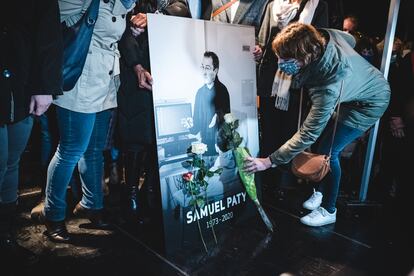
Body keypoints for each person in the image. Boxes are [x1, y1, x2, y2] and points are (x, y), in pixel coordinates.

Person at [244, 23, 390, 227]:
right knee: (324, 146)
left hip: (370, 102)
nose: (280, 62)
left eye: (286, 59)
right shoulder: (325, 36)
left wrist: (269, 161)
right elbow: (351, 40)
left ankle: (329, 209)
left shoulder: (326, 87)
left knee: (331, 152)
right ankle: (321, 192)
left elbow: (307, 134)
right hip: (353, 92)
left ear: (304, 56)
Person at [31, 0, 135, 242]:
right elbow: (46, 25)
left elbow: (115, 18)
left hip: (105, 81)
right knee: (70, 150)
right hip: (80, 82)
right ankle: (53, 215)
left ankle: (91, 205)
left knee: (94, 150)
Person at [117, 0, 191, 222]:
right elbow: (120, 32)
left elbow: (183, 13)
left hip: (165, 71)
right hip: (135, 72)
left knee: (158, 137)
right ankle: (130, 196)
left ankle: (148, 191)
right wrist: (136, 63)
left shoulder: (171, 4)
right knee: (135, 137)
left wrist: (154, 18)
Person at [0, 0, 62, 258]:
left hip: (21, 82)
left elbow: (48, 31)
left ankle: (6, 235)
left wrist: (45, 86)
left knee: (11, 162)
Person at [257, 0, 329, 194]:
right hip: (271, 83)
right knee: (269, 131)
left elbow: (319, 46)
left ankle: (286, 181)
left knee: (291, 131)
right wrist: (259, 50)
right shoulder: (272, 5)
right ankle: (267, 180)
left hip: (299, 84)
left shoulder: (317, 6)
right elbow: (263, 40)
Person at [185, 51, 231, 157]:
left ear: (215, 70)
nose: (204, 72)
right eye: (202, 67)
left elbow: (228, 123)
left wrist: (218, 117)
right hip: (204, 149)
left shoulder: (223, 91)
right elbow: (196, 128)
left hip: (219, 150)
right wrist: (190, 125)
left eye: (208, 68)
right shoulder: (199, 93)